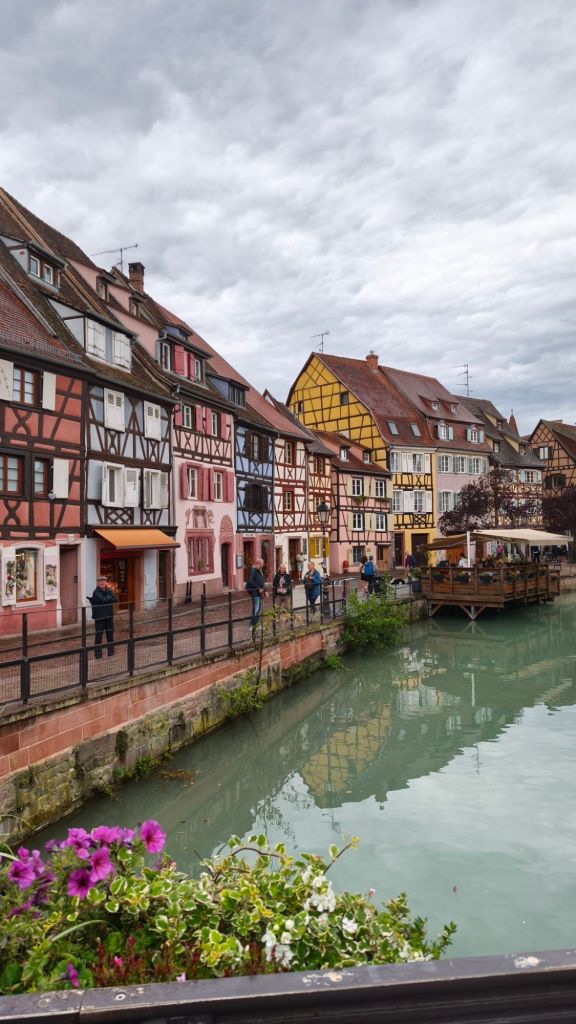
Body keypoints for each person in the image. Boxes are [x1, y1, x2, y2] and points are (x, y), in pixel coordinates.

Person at [88, 576, 118, 659]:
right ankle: (98, 655)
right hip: (100, 617)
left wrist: (108, 596)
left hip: (108, 616)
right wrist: (109, 596)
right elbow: (103, 600)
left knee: (110, 635)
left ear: (106, 582)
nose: (102, 583)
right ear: (98, 583)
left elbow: (115, 599)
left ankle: (111, 653)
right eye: (100, 581)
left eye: (104, 581)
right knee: (99, 636)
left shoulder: (108, 590)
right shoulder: (96, 592)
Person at [245, 558, 266, 634]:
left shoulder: (258, 570)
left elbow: (262, 582)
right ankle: (251, 625)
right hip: (255, 593)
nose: (262, 566)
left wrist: (265, 591)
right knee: (256, 609)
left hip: (259, 593)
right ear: (257, 564)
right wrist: (258, 588)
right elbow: (250, 581)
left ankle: (257, 624)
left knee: (259, 609)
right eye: (261, 565)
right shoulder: (253, 571)